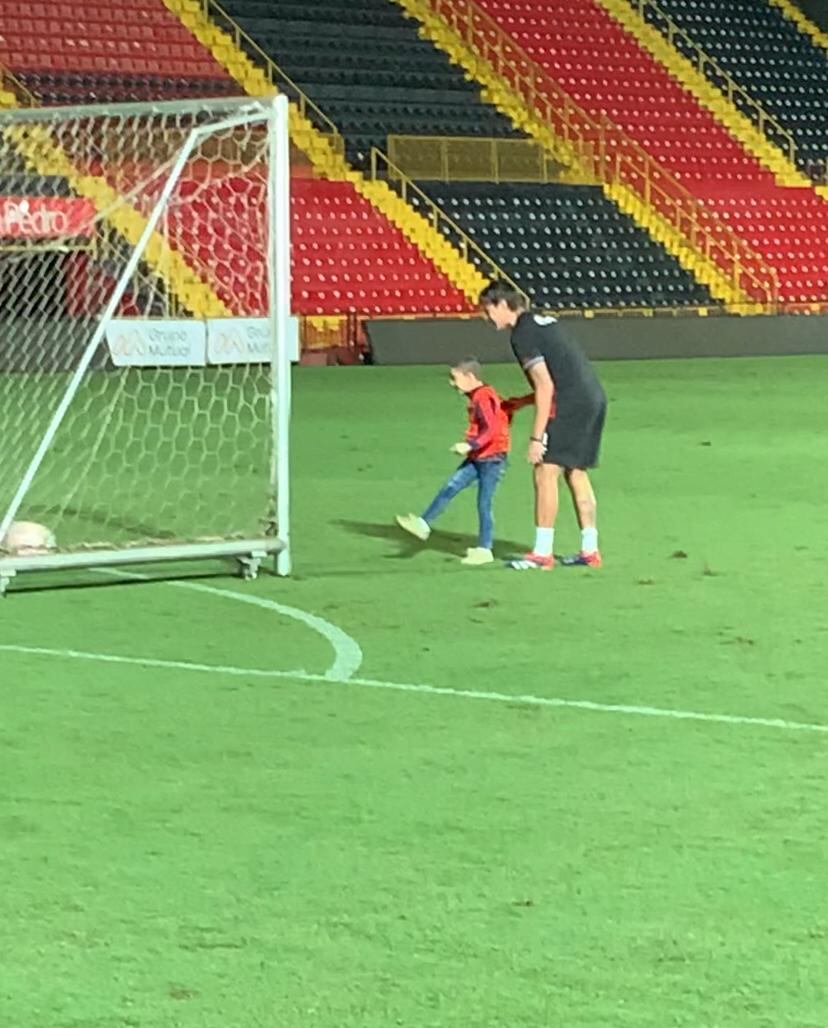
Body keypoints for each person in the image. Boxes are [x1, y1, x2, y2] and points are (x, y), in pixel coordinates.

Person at [479, 281, 607, 571]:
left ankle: (542, 553)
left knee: (545, 471)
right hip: (593, 398)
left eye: (487, 311)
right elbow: (562, 374)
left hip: (569, 403)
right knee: (576, 471)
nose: (486, 318)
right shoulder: (542, 321)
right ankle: (590, 550)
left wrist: (536, 438)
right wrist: (523, 402)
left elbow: (546, 386)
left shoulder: (522, 335)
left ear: (501, 304)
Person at [395, 358, 523, 566]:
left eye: (455, 378)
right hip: (480, 456)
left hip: (491, 458)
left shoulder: (483, 397)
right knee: (450, 486)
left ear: (470, 376)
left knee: (484, 503)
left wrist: (470, 445)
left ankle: (485, 549)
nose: (452, 384)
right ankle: (423, 524)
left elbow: (492, 429)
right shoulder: (481, 396)